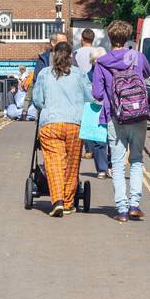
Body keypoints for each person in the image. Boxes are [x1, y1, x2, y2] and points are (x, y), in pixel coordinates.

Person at [92, 20, 150, 222]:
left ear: (110, 39)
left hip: (115, 117)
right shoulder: (137, 57)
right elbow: (148, 73)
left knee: (117, 165)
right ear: (126, 38)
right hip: (139, 116)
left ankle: (123, 210)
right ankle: (135, 204)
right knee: (136, 160)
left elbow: (97, 94)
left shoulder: (102, 62)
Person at [32, 40, 92, 217]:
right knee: (72, 165)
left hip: (50, 124)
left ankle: (57, 200)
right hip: (74, 124)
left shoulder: (44, 74)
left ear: (54, 55)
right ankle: (67, 203)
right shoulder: (79, 74)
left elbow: (37, 101)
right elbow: (90, 98)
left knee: (54, 163)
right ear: (71, 55)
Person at [75, 28, 110, 177]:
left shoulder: (76, 54)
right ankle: (108, 166)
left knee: (94, 133)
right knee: (107, 137)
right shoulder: (103, 58)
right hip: (107, 105)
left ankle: (100, 165)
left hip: (89, 100)